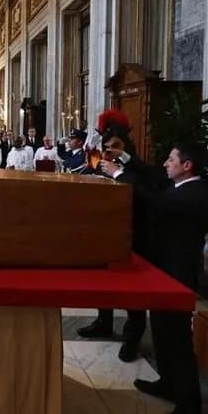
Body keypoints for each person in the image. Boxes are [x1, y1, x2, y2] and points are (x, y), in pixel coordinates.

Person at [99, 142, 208, 414]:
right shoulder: (181, 183)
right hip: (163, 270)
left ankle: (190, 413)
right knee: (162, 333)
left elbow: (155, 201)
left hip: (179, 275)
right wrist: (124, 159)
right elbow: (152, 173)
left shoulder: (200, 194)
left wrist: (117, 175)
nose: (165, 163)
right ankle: (167, 383)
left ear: (187, 166)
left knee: (178, 342)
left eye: (171, 159)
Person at [78, 123, 153, 362]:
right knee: (104, 281)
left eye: (116, 147)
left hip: (134, 233)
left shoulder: (136, 169)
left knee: (134, 289)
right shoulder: (101, 165)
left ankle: (132, 337)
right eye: (107, 147)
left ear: (125, 148)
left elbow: (141, 192)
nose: (109, 150)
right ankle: (103, 321)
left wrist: (118, 168)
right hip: (107, 231)